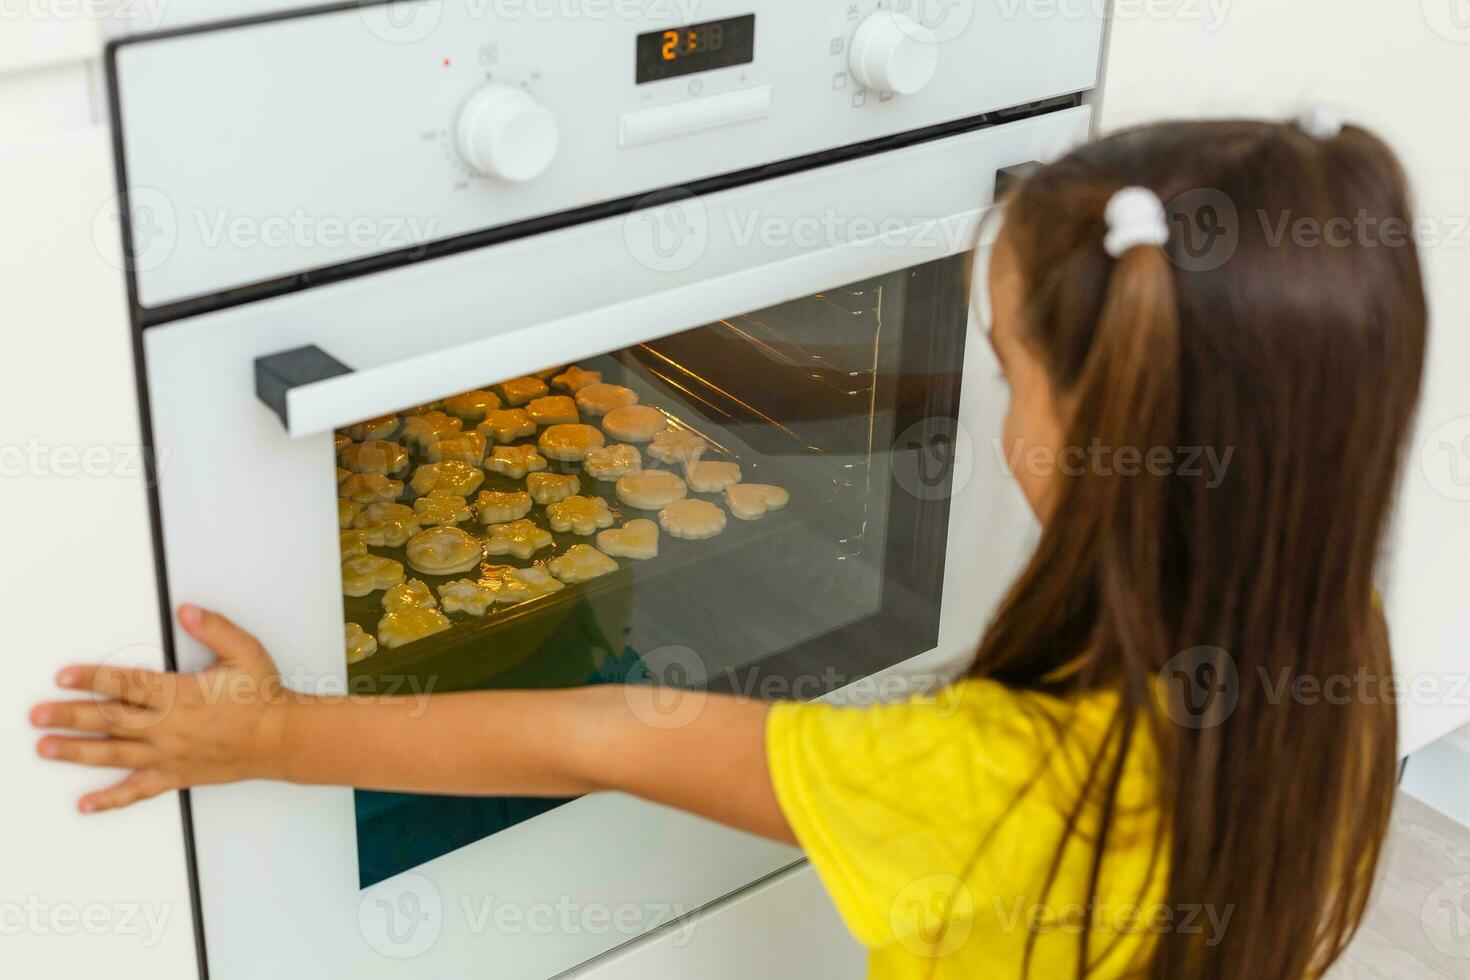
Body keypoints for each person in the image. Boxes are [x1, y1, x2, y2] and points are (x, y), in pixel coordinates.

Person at [31, 115, 1427, 979]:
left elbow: (606, 737)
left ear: (1107, 430)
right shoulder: (1326, 639)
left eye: (1003, 367)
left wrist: (267, 734)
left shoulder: (992, 776)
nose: (987, 397)